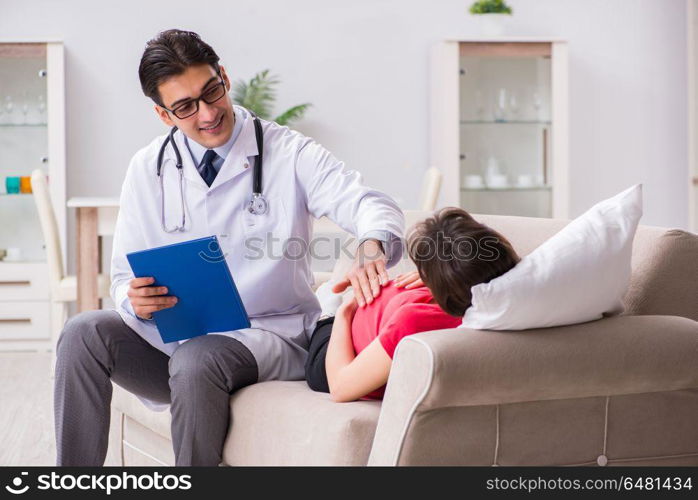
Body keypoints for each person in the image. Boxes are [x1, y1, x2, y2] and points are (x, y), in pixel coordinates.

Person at [53, 29, 404, 466]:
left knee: (199, 358)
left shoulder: (287, 151)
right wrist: (134, 299)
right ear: (164, 115)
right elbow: (123, 276)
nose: (207, 113)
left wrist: (372, 244)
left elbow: (370, 203)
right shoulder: (149, 168)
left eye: (211, 92)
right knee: (81, 333)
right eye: (185, 107)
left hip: (269, 336)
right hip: (177, 343)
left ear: (223, 75)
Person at [305, 207, 520, 402]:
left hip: (341, 347)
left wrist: (344, 313)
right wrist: (437, 279)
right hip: (375, 318)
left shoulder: (415, 321)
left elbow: (340, 387)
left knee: (326, 316)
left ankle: (327, 307)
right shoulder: (510, 292)